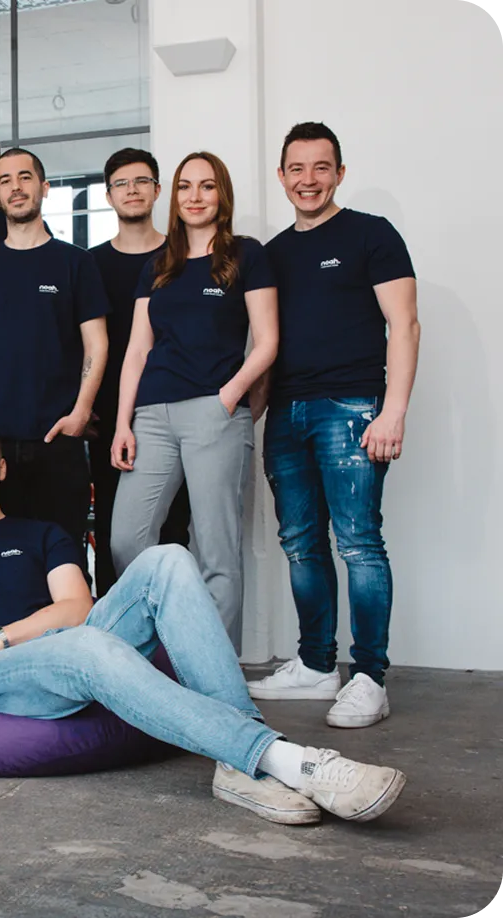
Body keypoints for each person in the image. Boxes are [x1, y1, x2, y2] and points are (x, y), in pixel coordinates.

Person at [0, 419, 406, 825]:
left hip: (40, 645)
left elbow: (77, 608)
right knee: (88, 647)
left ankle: (237, 762)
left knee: (168, 558)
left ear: (2, 469)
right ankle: (289, 761)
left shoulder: (40, 534)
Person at [246, 123, 420, 728]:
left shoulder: (372, 234)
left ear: (339, 173)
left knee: (359, 543)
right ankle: (317, 665)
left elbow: (405, 324)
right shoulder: (271, 254)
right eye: (297, 168)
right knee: (301, 544)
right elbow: (265, 343)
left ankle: (370, 678)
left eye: (321, 167)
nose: (308, 180)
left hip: (352, 408)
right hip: (287, 414)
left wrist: (393, 409)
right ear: (281, 176)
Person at [109, 152, 278, 652]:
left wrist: (228, 395)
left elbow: (267, 341)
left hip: (214, 412)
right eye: (185, 186)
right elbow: (137, 350)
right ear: (174, 196)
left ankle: (214, 671)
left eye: (206, 186)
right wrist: (123, 423)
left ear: (222, 194)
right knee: (126, 539)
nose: (195, 196)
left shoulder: (246, 256)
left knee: (216, 549)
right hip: (152, 414)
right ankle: (160, 647)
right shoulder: (159, 265)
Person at [0, 147, 109, 558]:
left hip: (57, 438)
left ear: (44, 187)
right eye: (5, 180)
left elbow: (97, 342)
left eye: (25, 177)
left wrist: (81, 412)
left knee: (64, 556)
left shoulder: (76, 263)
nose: (15, 187)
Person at [88, 148, 191, 594]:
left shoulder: (183, 257)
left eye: (141, 181)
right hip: (109, 419)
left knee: (174, 530)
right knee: (113, 530)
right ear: (108, 195)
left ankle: (171, 629)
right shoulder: (89, 264)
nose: (132, 190)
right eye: (121, 184)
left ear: (157, 190)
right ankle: (114, 630)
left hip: (173, 412)